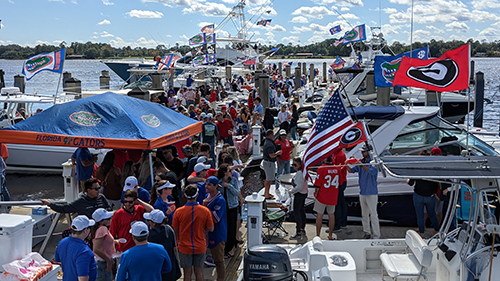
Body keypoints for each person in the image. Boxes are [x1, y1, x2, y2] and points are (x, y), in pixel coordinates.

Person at [172, 184, 214, 281]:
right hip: (200, 246)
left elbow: (175, 231)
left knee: (187, 274)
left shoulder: (178, 212)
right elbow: (211, 228)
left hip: (184, 247)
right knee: (199, 273)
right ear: (197, 195)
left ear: (185, 196)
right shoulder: (205, 211)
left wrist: (175, 245)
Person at [346, 144, 380, 239]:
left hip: (372, 192)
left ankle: (376, 235)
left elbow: (372, 172)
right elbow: (351, 171)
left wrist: (360, 165)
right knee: (364, 215)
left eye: (364, 151)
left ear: (369, 152)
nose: (362, 153)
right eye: (362, 151)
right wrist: (345, 164)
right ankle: (367, 232)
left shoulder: (374, 162)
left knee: (373, 215)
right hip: (362, 192)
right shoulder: (361, 162)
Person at [55, 215, 97, 281]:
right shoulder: (84, 251)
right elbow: (82, 278)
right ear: (85, 230)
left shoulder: (62, 242)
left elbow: (58, 262)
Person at [41, 178, 110, 219]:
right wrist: (50, 204)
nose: (99, 190)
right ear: (89, 190)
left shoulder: (101, 197)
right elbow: (64, 208)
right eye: (96, 189)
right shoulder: (81, 202)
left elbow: (108, 209)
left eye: (99, 188)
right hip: (89, 231)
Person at [145, 210, 182, 281]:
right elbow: (174, 248)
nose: (148, 222)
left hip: (158, 269)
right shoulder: (169, 229)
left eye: (149, 220)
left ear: (154, 223)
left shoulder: (151, 236)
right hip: (171, 268)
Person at [203, 176, 227, 281]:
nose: (206, 187)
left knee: (219, 261)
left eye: (209, 185)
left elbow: (216, 218)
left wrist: (206, 207)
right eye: (206, 184)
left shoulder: (220, 200)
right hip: (207, 233)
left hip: (218, 234)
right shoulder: (206, 196)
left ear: (216, 186)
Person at [313, 156, 340, 240]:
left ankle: (318, 235)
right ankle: (330, 235)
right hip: (333, 196)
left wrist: (316, 194)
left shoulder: (321, 168)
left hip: (322, 196)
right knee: (331, 215)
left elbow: (317, 184)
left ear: (325, 159)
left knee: (319, 216)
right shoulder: (337, 169)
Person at [216, 164, 239, 258]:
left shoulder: (233, 180)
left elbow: (237, 193)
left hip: (232, 207)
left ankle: (230, 248)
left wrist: (229, 186)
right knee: (223, 227)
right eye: (229, 171)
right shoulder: (218, 182)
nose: (231, 172)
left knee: (231, 228)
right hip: (223, 208)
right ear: (225, 172)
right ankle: (224, 248)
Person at [90, 208, 116, 281]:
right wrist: (108, 261)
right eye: (108, 218)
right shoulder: (102, 229)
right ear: (101, 221)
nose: (110, 219)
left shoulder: (98, 229)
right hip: (103, 262)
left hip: (102, 261)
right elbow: (96, 249)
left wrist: (115, 242)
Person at [289, 157, 307, 238]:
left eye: (295, 165)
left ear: (299, 165)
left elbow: (299, 187)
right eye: (292, 164)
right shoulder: (303, 172)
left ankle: (298, 231)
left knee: (297, 212)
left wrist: (291, 191)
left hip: (299, 194)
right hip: (304, 193)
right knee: (301, 211)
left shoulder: (299, 174)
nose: (293, 166)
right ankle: (302, 227)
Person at [262, 129, 282, 199]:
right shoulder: (269, 144)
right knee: (269, 179)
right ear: (270, 135)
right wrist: (277, 153)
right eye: (273, 135)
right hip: (269, 163)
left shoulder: (267, 142)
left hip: (267, 162)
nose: (273, 136)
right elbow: (271, 155)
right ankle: (267, 194)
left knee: (268, 179)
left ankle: (266, 192)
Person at [333, 150, 348, 232]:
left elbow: (338, 168)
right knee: (341, 202)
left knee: (337, 203)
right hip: (340, 180)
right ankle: (343, 222)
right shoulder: (335, 154)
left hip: (340, 181)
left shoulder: (340, 155)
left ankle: (337, 225)